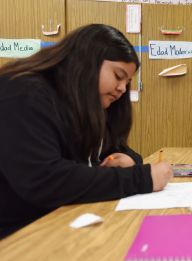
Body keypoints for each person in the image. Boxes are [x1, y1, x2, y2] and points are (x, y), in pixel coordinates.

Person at [0, 24, 173, 239]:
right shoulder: (23, 93)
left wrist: (129, 160)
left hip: (59, 222)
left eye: (127, 82)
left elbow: (116, 149)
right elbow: (45, 179)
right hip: (17, 236)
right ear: (87, 62)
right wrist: (141, 178)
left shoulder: (84, 102)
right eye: (118, 76)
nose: (122, 88)